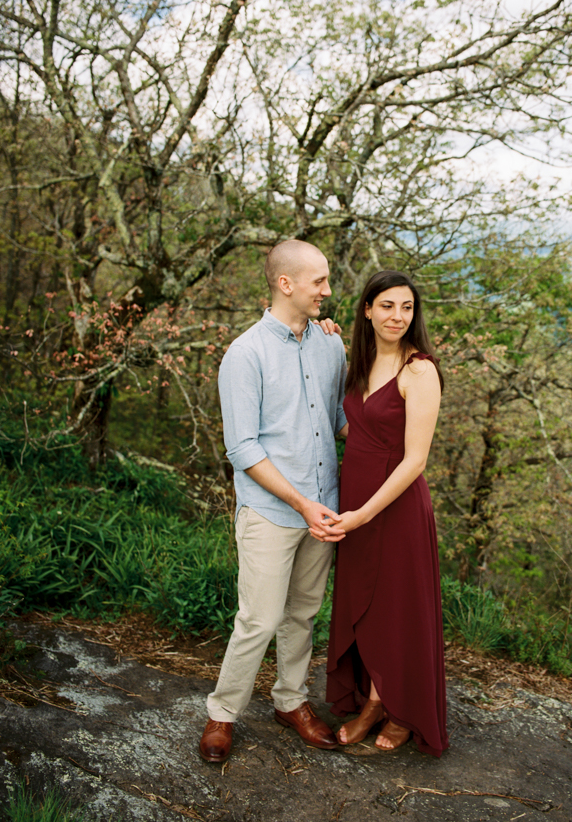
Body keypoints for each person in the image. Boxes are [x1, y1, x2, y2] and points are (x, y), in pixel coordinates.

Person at [199, 239, 348, 763]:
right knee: (257, 621)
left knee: (303, 615)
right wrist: (301, 503)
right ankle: (222, 715)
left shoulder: (332, 345)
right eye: (319, 282)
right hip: (271, 512)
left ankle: (290, 702)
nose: (328, 291)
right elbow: (242, 449)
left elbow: (336, 423)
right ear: (286, 284)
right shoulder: (245, 354)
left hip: (324, 509)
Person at [325, 270, 449, 756]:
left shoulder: (420, 371)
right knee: (364, 601)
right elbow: (350, 427)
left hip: (393, 508)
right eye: (388, 306)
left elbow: (415, 461)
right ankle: (372, 698)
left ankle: (392, 707)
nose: (398, 316)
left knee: (395, 608)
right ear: (368, 310)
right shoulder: (361, 360)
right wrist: (325, 333)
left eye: (407, 307)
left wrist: (360, 516)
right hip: (354, 498)